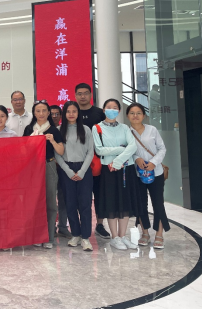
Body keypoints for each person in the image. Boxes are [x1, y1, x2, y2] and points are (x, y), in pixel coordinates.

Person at [93, 98, 141, 250]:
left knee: (125, 202)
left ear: (119, 111)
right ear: (104, 110)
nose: (112, 110)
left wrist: (118, 161)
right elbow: (99, 149)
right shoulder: (97, 128)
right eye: (109, 107)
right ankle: (114, 237)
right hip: (108, 170)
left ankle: (122, 235)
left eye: (115, 108)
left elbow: (132, 146)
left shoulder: (125, 128)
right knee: (112, 202)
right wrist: (121, 149)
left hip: (126, 168)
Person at [127, 102, 169, 249]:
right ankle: (145, 233)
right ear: (127, 115)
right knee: (140, 203)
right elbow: (126, 151)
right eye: (132, 113)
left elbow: (162, 149)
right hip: (137, 174)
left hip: (155, 173)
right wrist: (136, 159)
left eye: (138, 113)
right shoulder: (127, 132)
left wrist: (153, 162)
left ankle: (159, 234)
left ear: (144, 115)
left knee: (158, 203)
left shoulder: (152, 130)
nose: (135, 116)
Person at [23, 100, 64, 249]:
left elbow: (61, 151)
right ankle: (36, 235)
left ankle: (49, 237)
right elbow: (23, 150)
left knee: (51, 202)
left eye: (44, 111)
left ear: (48, 113)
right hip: (32, 168)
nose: (41, 114)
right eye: (38, 111)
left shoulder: (53, 130)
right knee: (34, 202)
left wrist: (52, 141)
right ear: (34, 113)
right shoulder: (29, 129)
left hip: (49, 166)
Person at [55, 102, 94, 251]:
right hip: (66, 170)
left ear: (78, 113)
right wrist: (68, 171)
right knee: (70, 204)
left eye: (74, 111)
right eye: (68, 111)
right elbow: (57, 155)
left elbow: (90, 152)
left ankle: (85, 237)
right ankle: (75, 234)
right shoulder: (59, 130)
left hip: (84, 169)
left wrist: (82, 171)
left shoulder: (86, 129)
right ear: (64, 114)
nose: (71, 114)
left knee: (85, 204)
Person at [75, 82, 109, 240]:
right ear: (75, 96)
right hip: (77, 160)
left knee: (100, 194)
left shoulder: (99, 113)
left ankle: (100, 224)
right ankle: (81, 225)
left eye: (85, 93)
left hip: (98, 160)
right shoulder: (73, 112)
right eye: (79, 93)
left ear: (90, 95)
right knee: (82, 196)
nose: (82, 96)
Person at [50, 104, 70, 238]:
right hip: (49, 169)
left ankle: (63, 226)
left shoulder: (65, 130)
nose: (54, 116)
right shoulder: (45, 130)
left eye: (57, 114)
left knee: (64, 199)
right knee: (50, 200)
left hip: (63, 169)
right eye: (52, 114)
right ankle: (51, 227)